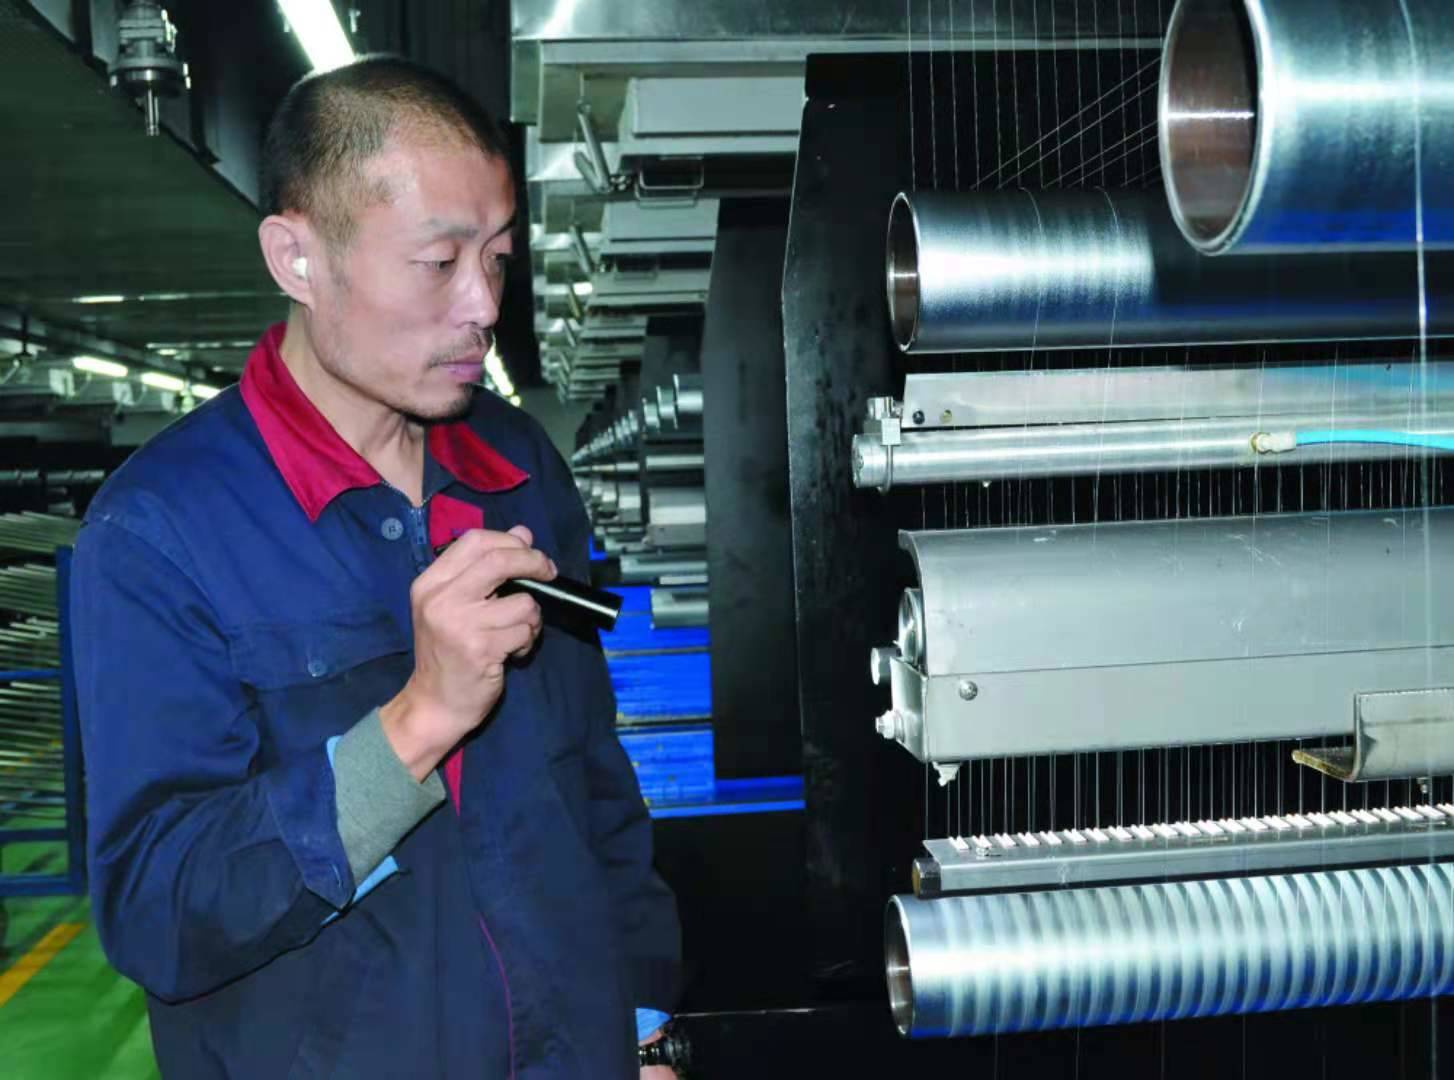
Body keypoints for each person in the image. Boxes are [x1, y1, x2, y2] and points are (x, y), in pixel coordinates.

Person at [71, 55, 681, 1078]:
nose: (482, 304)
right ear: (297, 258)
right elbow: (159, 909)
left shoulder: (520, 468)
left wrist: (646, 1021)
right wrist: (416, 723)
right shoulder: (158, 532)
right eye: (438, 262)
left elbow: (594, 783)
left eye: (497, 258)